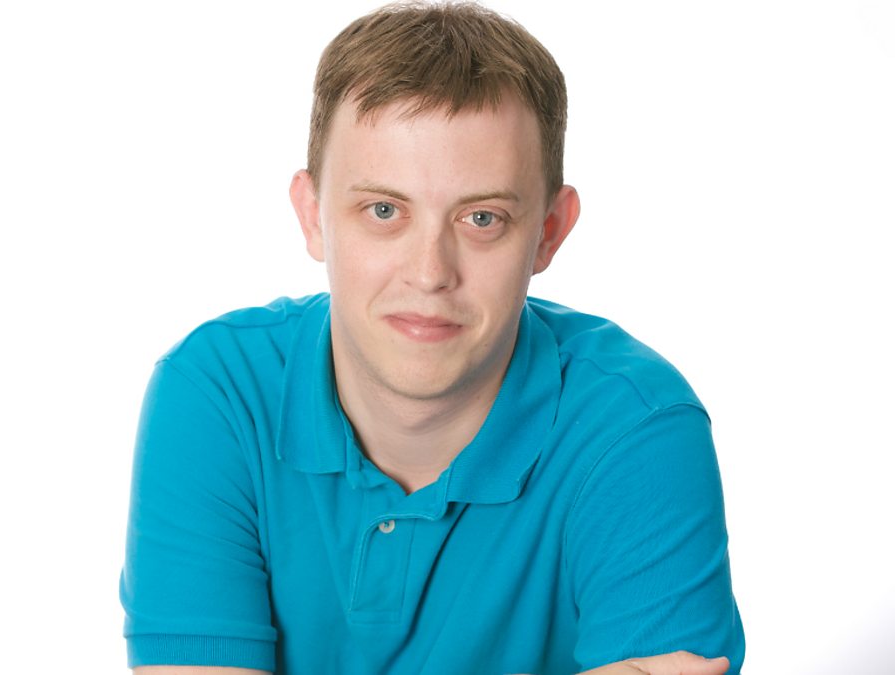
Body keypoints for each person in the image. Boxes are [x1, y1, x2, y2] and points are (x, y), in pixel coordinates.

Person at [120, 2, 745, 674]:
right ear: (313, 216)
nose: (429, 273)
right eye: (384, 210)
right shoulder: (218, 394)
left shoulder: (634, 427)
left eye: (482, 218)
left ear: (548, 232)